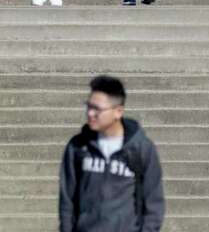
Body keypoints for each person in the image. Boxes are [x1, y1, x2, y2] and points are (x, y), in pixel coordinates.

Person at [59, 75, 165, 232]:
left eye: (97, 109)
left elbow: (153, 203)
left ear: (118, 112)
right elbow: (67, 200)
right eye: (89, 106)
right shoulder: (78, 147)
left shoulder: (141, 148)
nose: (90, 113)